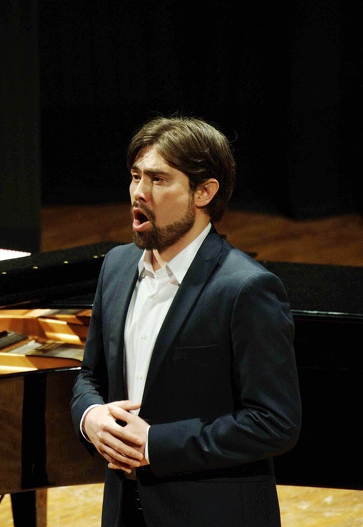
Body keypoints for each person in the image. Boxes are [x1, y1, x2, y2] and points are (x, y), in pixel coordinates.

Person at [70, 115, 301, 526]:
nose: (139, 193)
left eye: (159, 179)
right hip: (125, 510)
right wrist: (92, 418)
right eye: (135, 176)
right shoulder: (117, 266)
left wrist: (157, 444)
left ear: (204, 191)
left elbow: (275, 423)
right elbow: (90, 376)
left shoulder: (246, 289)